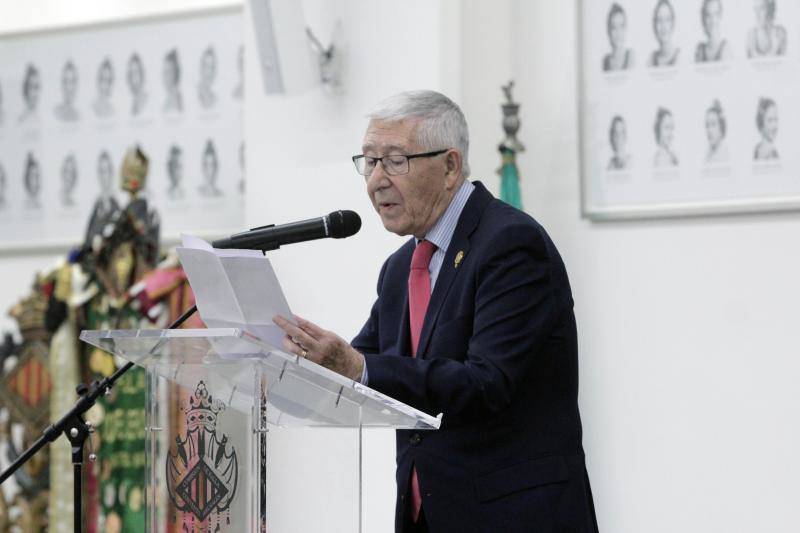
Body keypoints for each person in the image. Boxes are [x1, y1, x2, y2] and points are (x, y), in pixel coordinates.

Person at [273, 90, 597, 533]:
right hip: (427, 515)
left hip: (513, 515)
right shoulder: (399, 269)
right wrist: (278, 362)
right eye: (369, 161)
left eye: (394, 160)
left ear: (450, 166)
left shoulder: (511, 245)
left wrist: (357, 366)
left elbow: (487, 383)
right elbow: (361, 370)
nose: (375, 181)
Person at [603, 4, 634, 71]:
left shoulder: (632, 57)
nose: (618, 32)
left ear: (626, 28)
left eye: (621, 26)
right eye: (614, 27)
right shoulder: (605, 61)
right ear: (608, 31)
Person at [649, 0, 680, 67]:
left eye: (667, 19)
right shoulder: (650, 61)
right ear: (654, 25)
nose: (663, 26)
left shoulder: (682, 58)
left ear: (673, 23)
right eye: (659, 20)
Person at [705, 100, 728, 164]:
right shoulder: (707, 155)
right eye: (707, 125)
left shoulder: (726, 155)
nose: (709, 130)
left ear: (721, 127)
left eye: (713, 124)